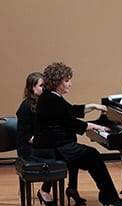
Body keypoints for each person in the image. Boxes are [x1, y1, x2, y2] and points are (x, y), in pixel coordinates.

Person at [32, 62, 122, 206]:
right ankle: (111, 200)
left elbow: (72, 110)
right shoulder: (52, 100)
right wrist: (95, 127)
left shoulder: (51, 97)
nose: (70, 84)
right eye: (66, 81)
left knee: (92, 157)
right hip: (54, 149)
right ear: (57, 82)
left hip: (55, 146)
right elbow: (71, 122)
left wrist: (94, 106)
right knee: (93, 156)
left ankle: (109, 198)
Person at [16, 72, 87, 206]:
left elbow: (70, 111)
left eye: (46, 85)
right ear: (32, 88)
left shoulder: (49, 100)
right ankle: (44, 190)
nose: (45, 88)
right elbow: (28, 137)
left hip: (43, 143)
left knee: (71, 150)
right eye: (42, 86)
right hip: (30, 147)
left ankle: (72, 187)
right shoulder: (25, 107)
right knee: (59, 153)